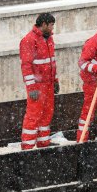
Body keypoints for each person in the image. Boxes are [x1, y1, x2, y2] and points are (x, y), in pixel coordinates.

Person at [20, 13, 59, 150]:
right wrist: (31, 88)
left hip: (48, 84)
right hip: (37, 86)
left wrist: (55, 80)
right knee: (33, 116)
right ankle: (27, 147)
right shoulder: (29, 40)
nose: (53, 27)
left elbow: (51, 62)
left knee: (47, 114)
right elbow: (26, 66)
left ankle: (43, 143)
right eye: (51, 25)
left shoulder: (48, 39)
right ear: (43, 24)